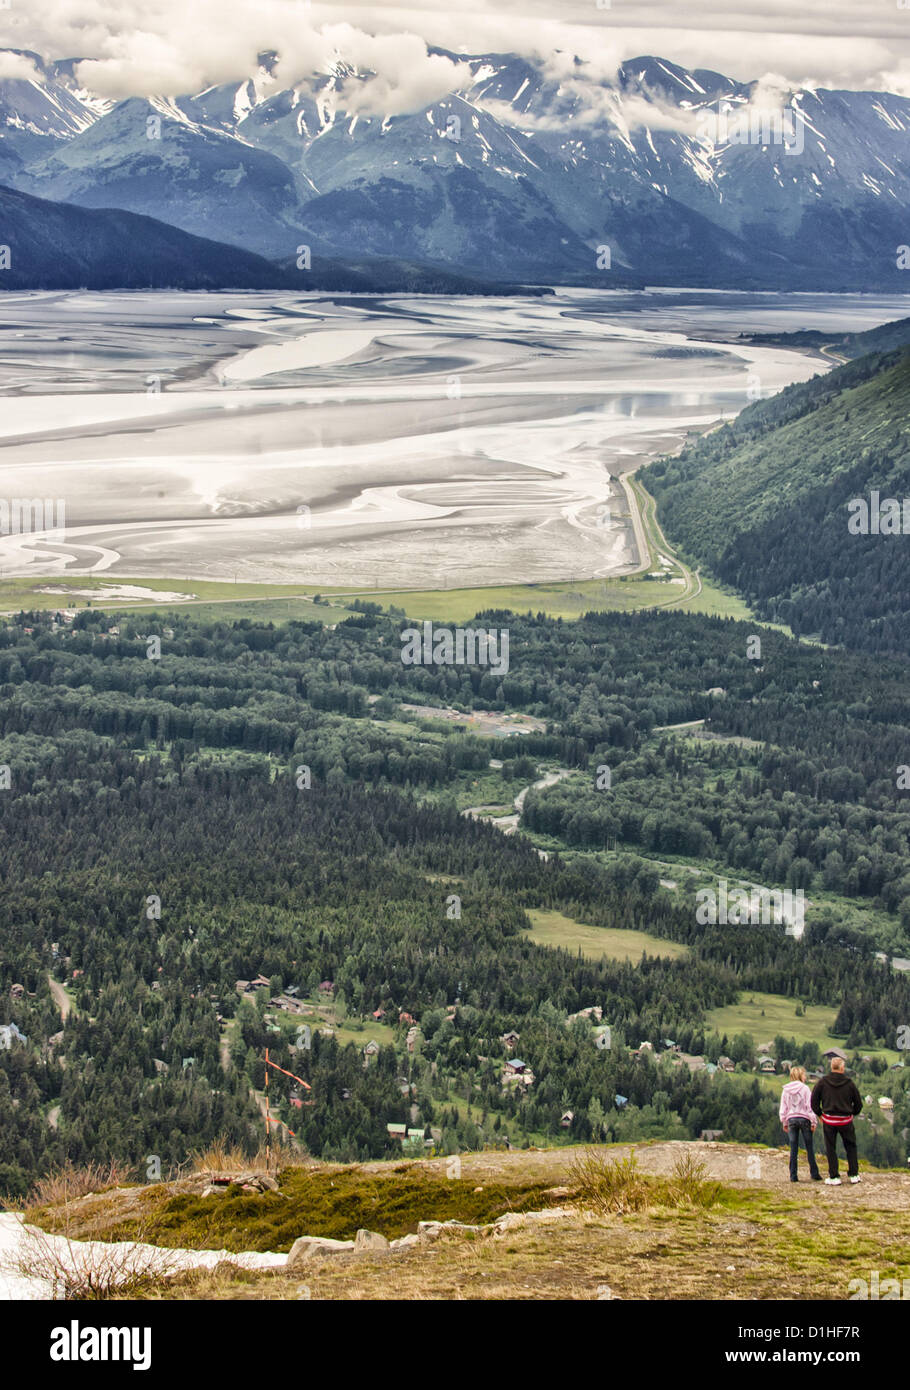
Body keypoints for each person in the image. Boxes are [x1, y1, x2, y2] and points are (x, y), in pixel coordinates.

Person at [810, 1056, 863, 1185]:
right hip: (846, 1120)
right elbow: (858, 1104)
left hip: (829, 1121)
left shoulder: (823, 1082)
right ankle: (854, 1174)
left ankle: (834, 1176)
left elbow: (813, 1101)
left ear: (831, 1067)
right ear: (842, 1068)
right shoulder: (849, 1083)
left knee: (831, 1148)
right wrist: (852, 1113)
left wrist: (820, 1114)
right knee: (850, 1146)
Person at [779, 1065, 821, 1182]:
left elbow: (784, 1107)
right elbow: (810, 1107)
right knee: (809, 1147)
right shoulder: (805, 1089)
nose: (805, 1077)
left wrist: (784, 1121)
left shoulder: (786, 1090)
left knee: (793, 1148)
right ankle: (814, 1173)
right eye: (803, 1075)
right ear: (799, 1076)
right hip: (804, 1119)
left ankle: (793, 1175)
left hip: (791, 1119)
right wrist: (813, 1121)